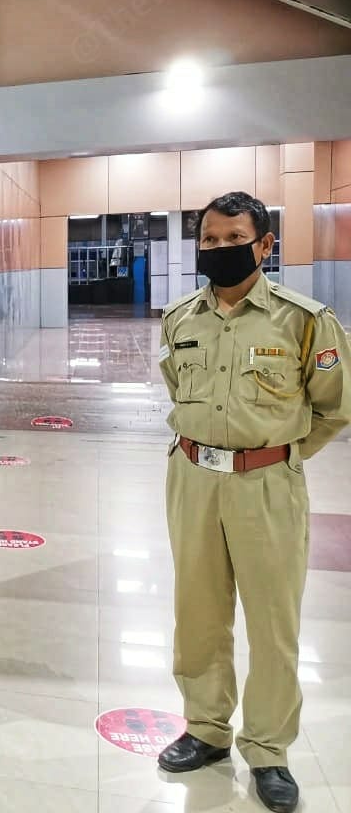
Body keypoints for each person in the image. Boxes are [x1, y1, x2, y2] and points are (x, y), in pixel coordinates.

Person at [156, 191, 351, 813]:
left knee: (272, 621)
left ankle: (268, 749)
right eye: (209, 240)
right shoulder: (180, 318)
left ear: (264, 245)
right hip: (192, 478)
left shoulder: (304, 320)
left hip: (267, 485)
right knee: (197, 613)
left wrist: (276, 457)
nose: (220, 249)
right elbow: (175, 387)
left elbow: (334, 407)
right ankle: (206, 729)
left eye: (233, 238)